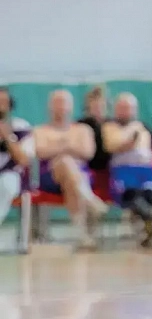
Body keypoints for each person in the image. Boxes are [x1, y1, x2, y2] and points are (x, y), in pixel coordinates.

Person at [32, 89, 108, 249]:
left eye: (64, 103)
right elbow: (40, 151)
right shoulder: (39, 130)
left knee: (70, 180)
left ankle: (82, 235)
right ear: (50, 107)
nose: (60, 107)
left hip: (81, 176)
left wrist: (57, 147)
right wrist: (69, 147)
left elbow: (88, 153)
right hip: (50, 176)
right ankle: (89, 199)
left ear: (71, 107)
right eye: (57, 103)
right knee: (65, 162)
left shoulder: (83, 129)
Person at [104, 92, 152, 247]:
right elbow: (111, 146)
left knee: (150, 193)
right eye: (122, 108)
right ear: (116, 109)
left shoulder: (142, 127)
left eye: (129, 108)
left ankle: (150, 229)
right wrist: (128, 143)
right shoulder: (109, 127)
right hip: (123, 170)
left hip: (146, 169)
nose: (125, 111)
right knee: (132, 195)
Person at [0, 87, 32, 230]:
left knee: (6, 184)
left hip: (12, 174)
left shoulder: (21, 126)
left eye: (4, 102)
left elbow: (24, 160)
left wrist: (7, 137)